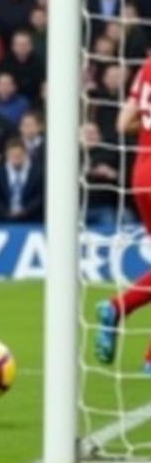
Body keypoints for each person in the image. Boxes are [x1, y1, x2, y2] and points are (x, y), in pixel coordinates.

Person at [96, 57, 151, 371]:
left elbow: (123, 123)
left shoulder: (146, 66)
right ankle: (118, 307)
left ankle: (150, 361)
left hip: (141, 174)